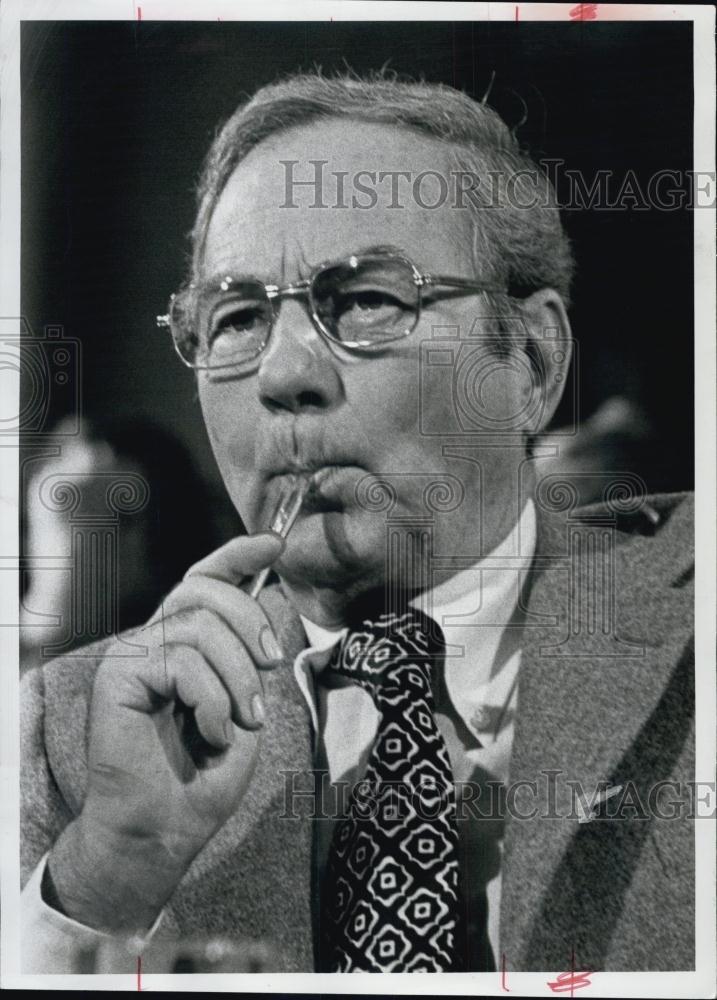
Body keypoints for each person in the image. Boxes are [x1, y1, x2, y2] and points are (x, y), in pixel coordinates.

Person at [20, 71, 694, 974]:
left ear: (530, 362)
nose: (282, 373)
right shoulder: (63, 741)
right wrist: (114, 870)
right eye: (237, 318)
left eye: (367, 301)